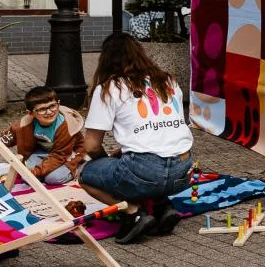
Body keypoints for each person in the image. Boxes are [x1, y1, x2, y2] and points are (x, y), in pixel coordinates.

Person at [79, 33, 195, 245]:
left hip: (145, 172)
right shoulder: (167, 80)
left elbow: (91, 146)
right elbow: (161, 132)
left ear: (106, 59)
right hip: (183, 171)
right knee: (138, 167)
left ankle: (133, 213)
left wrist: (105, 161)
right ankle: (162, 206)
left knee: (86, 174)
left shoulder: (110, 88)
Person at [0, 86, 86, 186]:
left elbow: (58, 156)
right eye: (42, 109)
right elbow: (8, 137)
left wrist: (36, 171)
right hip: (44, 152)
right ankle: (43, 170)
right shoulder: (25, 124)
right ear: (30, 113)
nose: (49, 112)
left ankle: (78, 168)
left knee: (52, 179)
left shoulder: (66, 127)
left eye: (52, 106)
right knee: (27, 177)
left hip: (68, 154)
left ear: (58, 103)